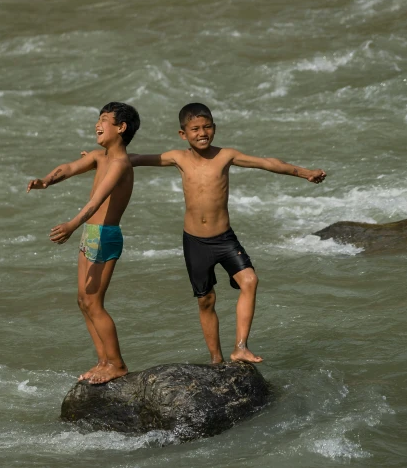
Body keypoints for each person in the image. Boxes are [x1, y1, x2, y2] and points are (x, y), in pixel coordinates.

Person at [130, 103, 326, 364]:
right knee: (206, 300)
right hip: (195, 241)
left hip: (224, 238)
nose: (202, 133)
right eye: (195, 129)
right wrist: (98, 161)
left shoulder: (225, 156)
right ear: (183, 134)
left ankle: (241, 347)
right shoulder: (178, 157)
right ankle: (216, 359)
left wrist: (305, 173)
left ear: (215, 128)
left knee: (250, 281)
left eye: (207, 127)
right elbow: (135, 159)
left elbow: (268, 163)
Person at [27, 102, 140, 384]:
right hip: (91, 234)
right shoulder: (100, 157)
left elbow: (96, 201)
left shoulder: (119, 164)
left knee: (95, 302)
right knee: (83, 301)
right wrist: (46, 181)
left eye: (104, 120)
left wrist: (71, 225)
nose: (97, 125)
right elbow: (68, 167)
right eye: (98, 119)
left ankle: (117, 364)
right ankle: (103, 360)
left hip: (104, 235)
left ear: (121, 127)